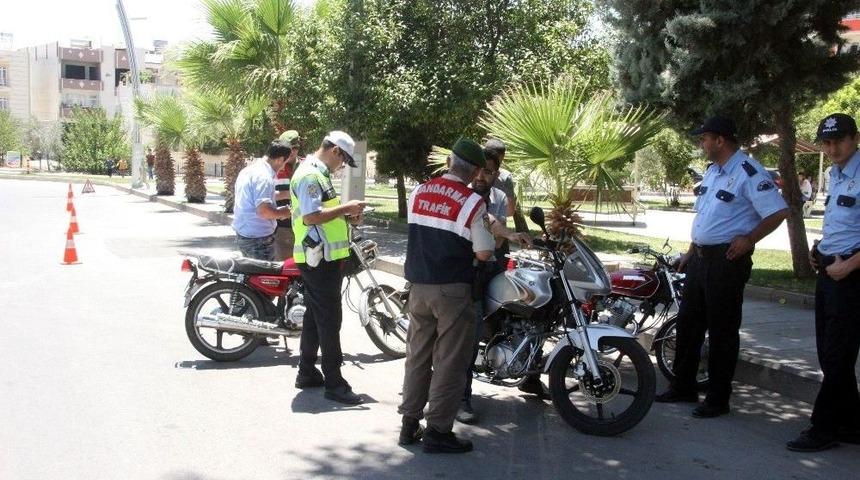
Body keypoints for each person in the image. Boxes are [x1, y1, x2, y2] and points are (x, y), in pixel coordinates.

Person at [654, 116, 788, 418]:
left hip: (727, 260)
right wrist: (690, 252)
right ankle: (683, 386)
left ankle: (717, 398)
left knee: (722, 330)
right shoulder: (713, 172)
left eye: (704, 138)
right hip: (700, 259)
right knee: (688, 324)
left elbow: (778, 212)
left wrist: (749, 239)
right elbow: (705, 218)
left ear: (720, 140)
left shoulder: (748, 171)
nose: (701, 143)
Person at [397, 138, 495, 454]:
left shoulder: (418, 192)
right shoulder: (473, 202)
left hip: (417, 288)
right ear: (476, 171)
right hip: (452, 290)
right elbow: (483, 252)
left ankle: (409, 423)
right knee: (449, 361)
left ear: (449, 161)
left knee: (417, 355)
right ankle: (438, 431)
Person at [787, 113, 860, 452]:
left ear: (855, 138)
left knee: (837, 354)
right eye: (827, 143)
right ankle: (852, 423)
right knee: (829, 353)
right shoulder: (835, 174)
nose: (832, 149)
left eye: (838, 141)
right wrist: (820, 250)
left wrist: (850, 266)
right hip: (831, 272)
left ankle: (823, 428)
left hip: (852, 276)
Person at [456, 142, 534, 425]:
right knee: (471, 332)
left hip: (494, 266)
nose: (481, 177)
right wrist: (503, 235)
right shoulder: (462, 193)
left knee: (525, 316)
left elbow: (496, 238)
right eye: (479, 171)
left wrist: (503, 236)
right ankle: (461, 397)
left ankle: (529, 376)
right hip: (468, 272)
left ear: (495, 174)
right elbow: (490, 228)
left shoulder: (499, 196)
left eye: (488, 172)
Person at [290, 131, 367, 405]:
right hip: (318, 259)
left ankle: (307, 371)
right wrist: (346, 208)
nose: (342, 166)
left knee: (315, 316)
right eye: (343, 159)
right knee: (330, 321)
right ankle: (335, 383)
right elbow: (311, 216)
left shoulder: (318, 174)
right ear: (334, 150)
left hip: (323, 258)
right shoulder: (311, 175)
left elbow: (324, 215)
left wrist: (348, 216)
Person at [231, 141, 293, 261]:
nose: (283, 167)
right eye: (284, 163)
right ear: (280, 159)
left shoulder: (249, 170)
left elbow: (256, 197)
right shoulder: (264, 177)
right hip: (258, 240)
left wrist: (285, 194)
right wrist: (284, 213)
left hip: (245, 234)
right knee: (262, 273)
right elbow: (264, 211)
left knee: (251, 271)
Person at [484, 138, 528, 232]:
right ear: (503, 156)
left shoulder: (473, 171)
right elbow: (510, 210)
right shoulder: (505, 177)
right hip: (498, 230)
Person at [273, 130, 302, 261]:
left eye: (294, 148)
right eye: (288, 149)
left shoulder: (305, 166)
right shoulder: (273, 168)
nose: (291, 152)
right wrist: (289, 194)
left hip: (303, 226)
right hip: (282, 228)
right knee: (283, 266)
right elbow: (265, 197)